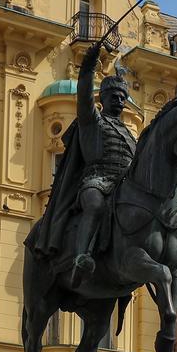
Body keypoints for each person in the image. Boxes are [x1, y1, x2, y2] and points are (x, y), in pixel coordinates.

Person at [25, 36, 137, 288]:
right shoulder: (93, 121)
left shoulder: (130, 135)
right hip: (96, 181)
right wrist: (87, 67)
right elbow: (84, 96)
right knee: (95, 205)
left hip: (122, 188)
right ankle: (81, 256)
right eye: (114, 96)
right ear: (103, 99)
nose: (119, 101)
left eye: (122, 97)